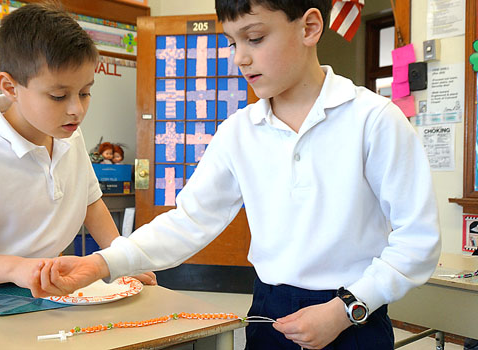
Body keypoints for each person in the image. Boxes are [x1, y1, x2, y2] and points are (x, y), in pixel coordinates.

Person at [38, 1, 441, 349]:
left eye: (255, 38)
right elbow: (188, 222)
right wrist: (103, 264)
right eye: (232, 42)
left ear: (309, 27)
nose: (239, 58)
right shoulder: (239, 131)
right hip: (270, 311)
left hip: (355, 316)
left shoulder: (373, 120)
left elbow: (417, 242)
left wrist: (345, 309)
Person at [0, 2, 155, 298]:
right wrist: (16, 268)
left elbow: (90, 202)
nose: (77, 110)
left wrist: (120, 259)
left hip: (45, 284)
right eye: (59, 96)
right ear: (10, 87)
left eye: (85, 92)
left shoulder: (68, 134)